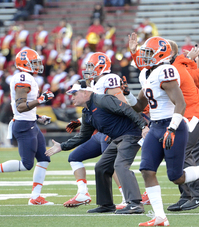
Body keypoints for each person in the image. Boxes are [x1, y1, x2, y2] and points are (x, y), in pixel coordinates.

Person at [125, 35, 199, 226]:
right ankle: (160, 217)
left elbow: (180, 104)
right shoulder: (147, 73)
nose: (145, 57)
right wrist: (127, 94)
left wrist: (172, 129)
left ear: (161, 54)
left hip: (172, 124)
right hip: (156, 126)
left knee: (176, 177)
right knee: (147, 170)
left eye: (149, 53)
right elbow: (140, 106)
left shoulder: (166, 70)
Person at [45, 81, 148, 214]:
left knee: (120, 165)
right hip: (117, 138)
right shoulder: (87, 112)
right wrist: (62, 146)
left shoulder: (102, 100)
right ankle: (106, 204)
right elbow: (83, 136)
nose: (72, 97)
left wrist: (143, 126)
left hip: (131, 134)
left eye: (75, 94)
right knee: (101, 167)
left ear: (86, 92)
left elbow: (127, 109)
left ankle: (135, 204)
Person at [0, 49, 55, 205]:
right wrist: (41, 99)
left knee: (44, 158)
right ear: (24, 64)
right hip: (23, 126)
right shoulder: (23, 78)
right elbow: (21, 106)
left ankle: (35, 197)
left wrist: (38, 117)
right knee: (27, 164)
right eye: (34, 63)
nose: (37, 65)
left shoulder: (27, 78)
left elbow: (23, 107)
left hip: (29, 122)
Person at [60, 52, 131, 209]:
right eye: (88, 66)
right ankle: (83, 193)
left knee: (110, 165)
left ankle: (127, 198)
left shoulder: (108, 79)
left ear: (101, 66)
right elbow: (96, 110)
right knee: (74, 157)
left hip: (111, 131)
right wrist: (80, 121)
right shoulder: (95, 83)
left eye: (91, 66)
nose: (88, 69)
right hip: (100, 132)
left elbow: (121, 105)